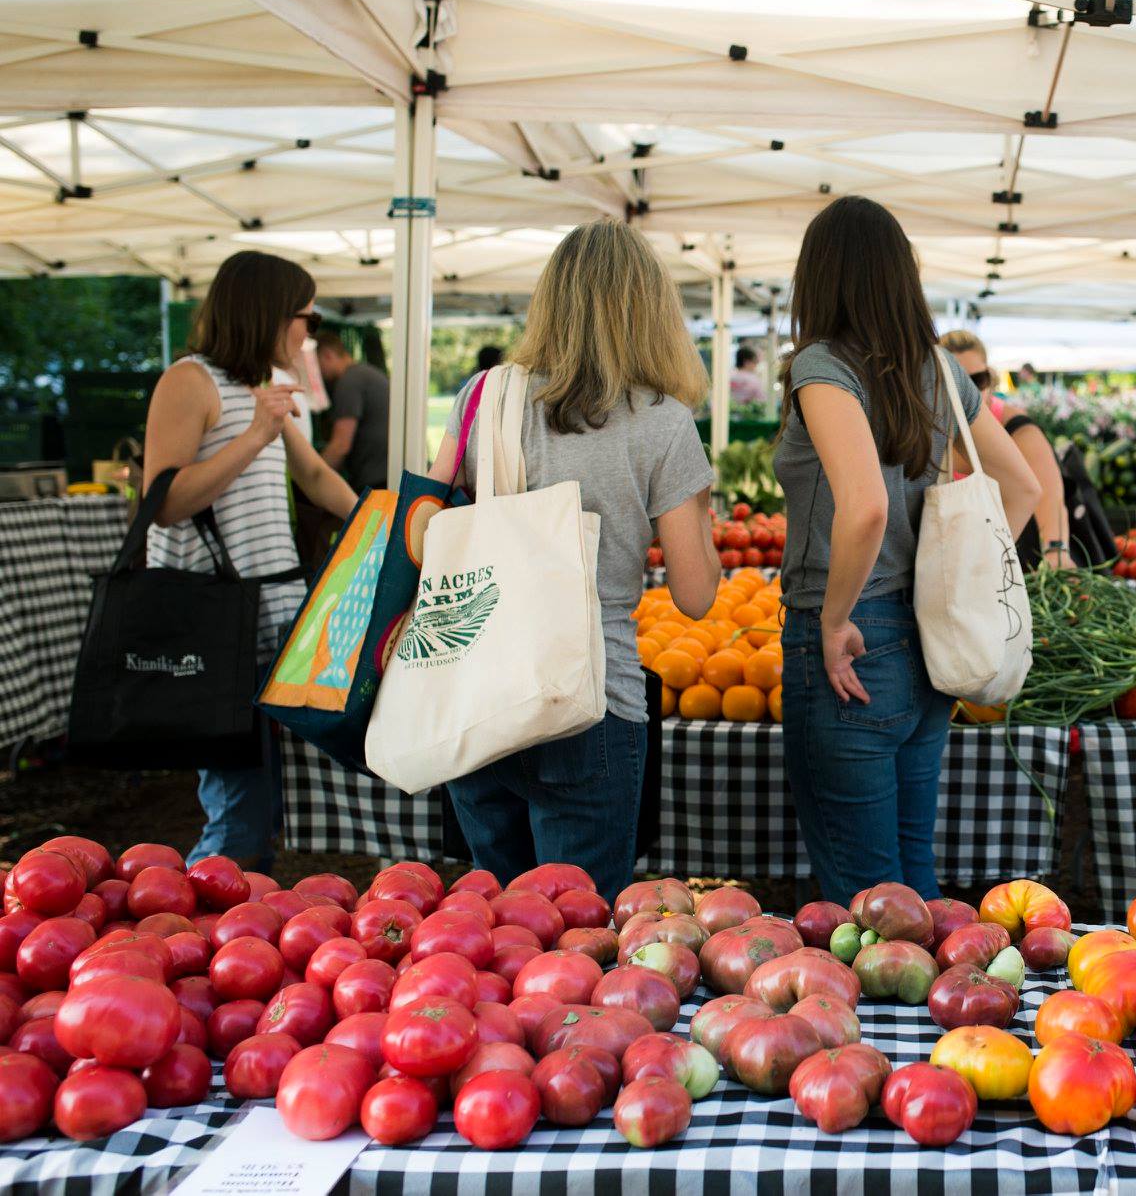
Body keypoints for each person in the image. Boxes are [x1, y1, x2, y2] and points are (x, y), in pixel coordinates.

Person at [429, 219, 719, 898]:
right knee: (575, 938)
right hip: (591, 697)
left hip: (479, 684)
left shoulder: (483, 397)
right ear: (649, 310)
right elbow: (697, 596)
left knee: (499, 926)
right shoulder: (663, 421)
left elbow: (427, 523)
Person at [775, 196, 1039, 902]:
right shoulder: (941, 369)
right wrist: (952, 585)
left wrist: (833, 623)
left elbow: (865, 507)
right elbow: (1024, 486)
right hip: (925, 645)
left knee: (864, 897)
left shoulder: (822, 366)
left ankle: (894, 1009)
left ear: (819, 277)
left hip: (853, 645)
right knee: (909, 881)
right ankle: (943, 1014)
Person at [142, 250, 358, 871]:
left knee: (260, 794)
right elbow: (164, 500)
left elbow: (315, 476)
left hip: (271, 618)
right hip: (217, 624)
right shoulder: (190, 381)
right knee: (238, 801)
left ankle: (232, 912)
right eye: (307, 319)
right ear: (268, 312)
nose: (310, 335)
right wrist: (254, 436)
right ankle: (202, 919)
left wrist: (391, 530)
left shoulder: (254, 383)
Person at [940, 330, 1071, 571]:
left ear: (990, 378)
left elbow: (1049, 495)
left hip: (1018, 564)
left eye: (977, 380)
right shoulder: (934, 428)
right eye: (956, 382)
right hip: (953, 562)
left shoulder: (1018, 428)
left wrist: (1055, 550)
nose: (968, 392)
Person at [313, 334, 390, 493]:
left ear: (327, 355)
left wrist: (312, 478)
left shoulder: (349, 382)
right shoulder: (366, 373)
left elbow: (340, 445)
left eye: (315, 365)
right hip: (387, 476)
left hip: (377, 483)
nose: (316, 373)